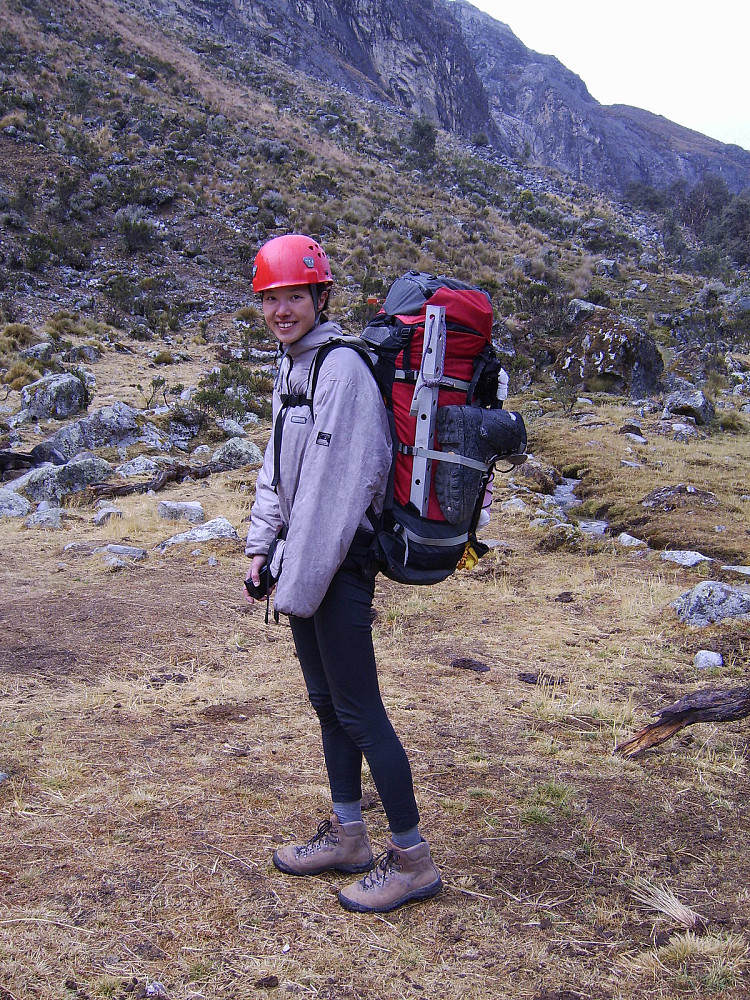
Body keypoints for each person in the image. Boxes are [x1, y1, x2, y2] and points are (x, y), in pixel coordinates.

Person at [243, 234, 442, 914]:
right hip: (304, 563)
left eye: (293, 296)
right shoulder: (292, 367)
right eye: (270, 299)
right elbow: (278, 470)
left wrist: (294, 583)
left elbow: (335, 490)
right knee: (328, 706)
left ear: (320, 295)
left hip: (340, 564)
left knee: (360, 711)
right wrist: (259, 548)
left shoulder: (342, 370)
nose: (280, 310)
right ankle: (349, 836)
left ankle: (412, 858)